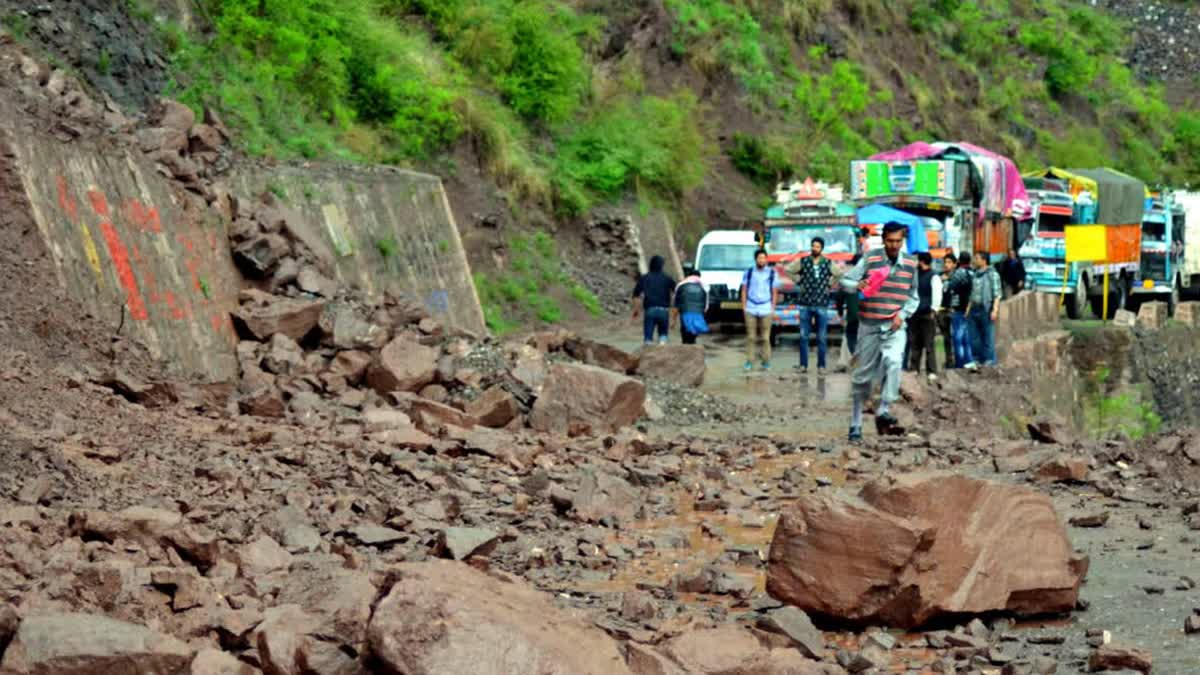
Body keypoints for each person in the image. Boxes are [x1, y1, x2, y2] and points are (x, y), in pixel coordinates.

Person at [840, 222, 919, 442]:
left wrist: (902, 315)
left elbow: (913, 297)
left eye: (898, 241)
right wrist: (858, 286)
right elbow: (844, 281)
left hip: (894, 325)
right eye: (890, 241)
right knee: (862, 378)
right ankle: (855, 423)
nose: (894, 245)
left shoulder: (911, 264)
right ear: (883, 240)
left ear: (902, 241)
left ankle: (884, 408)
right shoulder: (870, 259)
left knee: (894, 362)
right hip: (869, 325)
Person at [787, 237, 834, 372]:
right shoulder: (803, 261)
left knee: (822, 337)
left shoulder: (828, 262)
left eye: (818, 246)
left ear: (822, 248)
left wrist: (829, 284)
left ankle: (821, 366)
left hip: (821, 304)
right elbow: (788, 270)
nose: (815, 248)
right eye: (813, 246)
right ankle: (803, 365)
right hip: (805, 304)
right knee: (803, 336)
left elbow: (839, 274)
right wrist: (798, 280)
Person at [741, 249, 778, 371]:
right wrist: (744, 306)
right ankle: (749, 362)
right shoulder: (749, 272)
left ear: (766, 259)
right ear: (755, 259)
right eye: (759, 258)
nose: (761, 260)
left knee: (765, 338)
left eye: (763, 258)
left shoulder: (772, 273)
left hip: (766, 308)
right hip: (751, 307)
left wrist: (773, 307)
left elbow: (774, 291)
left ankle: (766, 361)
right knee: (751, 337)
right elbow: (744, 289)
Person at [906, 252, 942, 379]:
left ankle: (931, 371)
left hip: (927, 314)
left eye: (917, 260)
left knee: (929, 344)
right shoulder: (915, 275)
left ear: (921, 261)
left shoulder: (933, 276)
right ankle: (914, 369)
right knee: (915, 343)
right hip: (914, 313)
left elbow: (937, 294)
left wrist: (934, 310)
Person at [964, 250, 1002, 369]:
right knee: (974, 337)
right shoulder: (975, 274)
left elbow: (997, 294)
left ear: (984, 260)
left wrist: (994, 310)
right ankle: (976, 360)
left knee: (987, 336)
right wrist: (968, 309)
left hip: (986, 308)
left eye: (977, 258)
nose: (974, 260)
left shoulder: (992, 274)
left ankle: (988, 361)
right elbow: (972, 293)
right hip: (974, 308)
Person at [632, 254, 676, 344]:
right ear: (661, 265)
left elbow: (636, 295)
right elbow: (677, 292)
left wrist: (636, 310)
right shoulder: (667, 278)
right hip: (664, 311)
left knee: (648, 339)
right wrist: (674, 312)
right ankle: (662, 349)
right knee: (663, 336)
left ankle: (648, 354)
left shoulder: (644, 278)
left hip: (650, 311)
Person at [674, 267, 708, 344]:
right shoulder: (704, 286)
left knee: (685, 331)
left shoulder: (681, 285)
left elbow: (676, 303)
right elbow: (706, 305)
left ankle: (686, 347)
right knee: (694, 333)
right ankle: (692, 346)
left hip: (685, 312)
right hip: (698, 312)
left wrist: (674, 319)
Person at [937, 254, 957, 369]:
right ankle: (947, 360)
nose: (946, 264)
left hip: (953, 310)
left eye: (949, 262)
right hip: (941, 310)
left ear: (954, 264)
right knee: (945, 337)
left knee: (955, 336)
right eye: (945, 262)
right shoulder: (939, 277)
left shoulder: (957, 276)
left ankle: (955, 359)